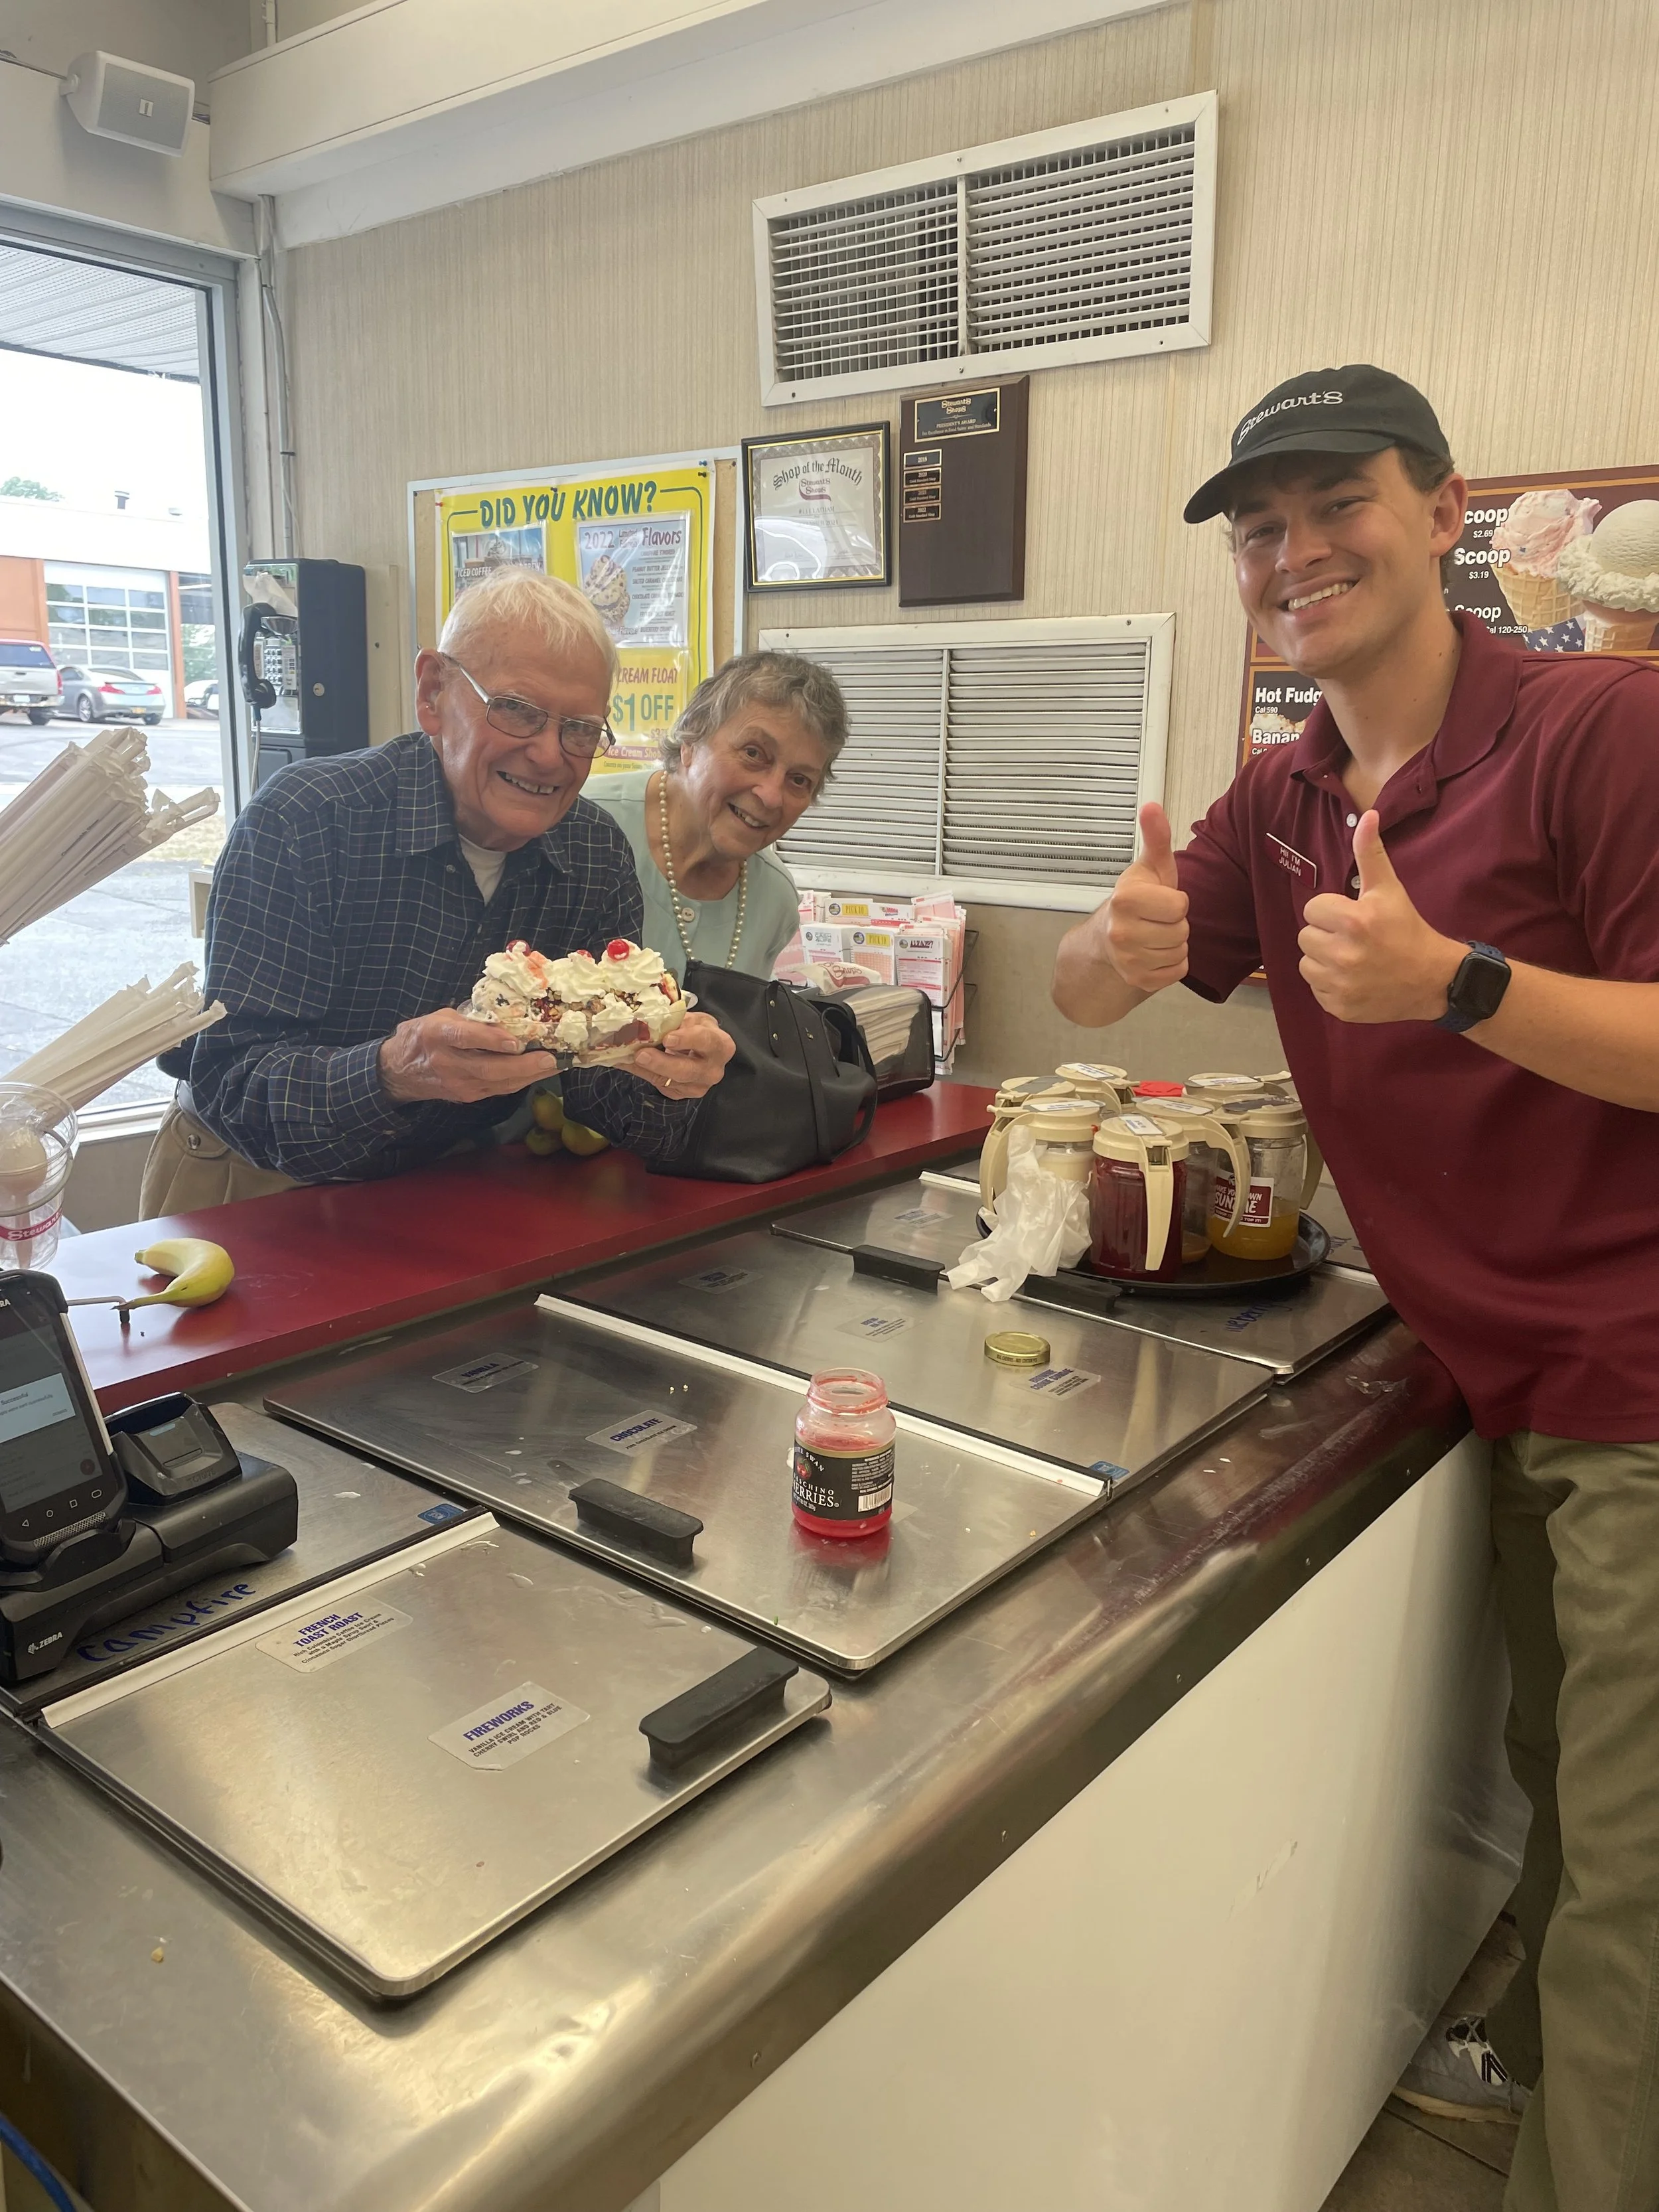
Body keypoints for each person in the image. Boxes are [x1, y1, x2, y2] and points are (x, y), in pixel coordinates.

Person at [1052, 363, 1659, 2211]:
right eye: (1261, 531)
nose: (1297, 552)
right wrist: (1117, 941)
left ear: (1443, 509)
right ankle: (1549, 2074)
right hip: (1496, 1367)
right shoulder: (1285, 790)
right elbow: (1097, 989)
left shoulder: (1596, 728)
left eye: (1337, 506)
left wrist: (1460, 984)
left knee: (1638, 1885)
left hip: (1638, 1374)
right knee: (1568, 1783)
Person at [140, 569, 733, 1211]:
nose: (548, 755)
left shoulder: (593, 853)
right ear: (432, 694)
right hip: (252, 1182)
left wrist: (671, 1076)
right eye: (516, 710)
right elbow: (232, 1083)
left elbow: (598, 1092)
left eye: (581, 729)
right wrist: (392, 1072)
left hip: (440, 1181)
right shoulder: (307, 818)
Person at [584, 651, 847, 981]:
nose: (771, 795)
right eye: (753, 754)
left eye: (799, 780)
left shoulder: (774, 901)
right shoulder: (582, 825)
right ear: (692, 739)